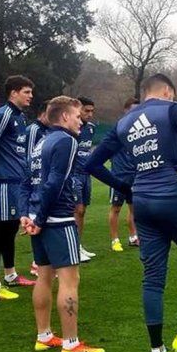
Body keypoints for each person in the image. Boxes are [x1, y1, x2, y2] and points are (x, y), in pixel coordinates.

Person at [87, 74, 177, 352]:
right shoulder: (173, 109)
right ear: (168, 91)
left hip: (142, 202)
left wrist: (125, 188)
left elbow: (91, 164)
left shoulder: (123, 123)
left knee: (153, 278)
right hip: (173, 194)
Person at [20, 96, 105, 352]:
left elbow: (25, 182)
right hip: (56, 219)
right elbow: (54, 183)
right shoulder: (66, 140)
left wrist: (27, 215)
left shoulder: (42, 141)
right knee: (70, 280)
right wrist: (42, 218)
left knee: (44, 277)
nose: (81, 121)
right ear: (65, 116)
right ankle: (71, 343)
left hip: (38, 217)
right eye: (78, 116)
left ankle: (44, 336)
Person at [0, 75, 37, 300]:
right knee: (1, 229)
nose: (31, 96)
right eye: (26, 92)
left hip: (17, 181)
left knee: (12, 227)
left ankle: (11, 274)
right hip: (4, 182)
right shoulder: (3, 115)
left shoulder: (19, 117)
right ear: (13, 93)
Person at [108, 98, 140, 252]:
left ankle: (133, 236)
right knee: (116, 208)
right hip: (119, 176)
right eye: (132, 109)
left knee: (134, 208)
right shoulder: (118, 129)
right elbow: (106, 150)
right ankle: (115, 239)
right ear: (126, 110)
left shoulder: (139, 130)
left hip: (135, 175)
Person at [26, 102, 50, 277]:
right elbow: (29, 159)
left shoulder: (48, 133)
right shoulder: (34, 130)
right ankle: (38, 263)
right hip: (36, 186)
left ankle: (40, 263)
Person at [73, 97, 97, 262]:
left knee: (83, 212)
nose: (89, 114)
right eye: (86, 111)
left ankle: (78, 245)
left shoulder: (91, 129)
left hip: (86, 174)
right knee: (77, 210)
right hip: (74, 174)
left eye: (91, 111)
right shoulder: (73, 128)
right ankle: (73, 247)